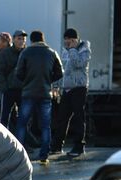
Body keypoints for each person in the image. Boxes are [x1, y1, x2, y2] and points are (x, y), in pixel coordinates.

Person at [15, 30, 63, 164]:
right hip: (45, 93)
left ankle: (18, 155)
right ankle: (44, 156)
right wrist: (48, 80)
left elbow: (18, 73)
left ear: (31, 40)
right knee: (45, 126)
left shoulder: (26, 53)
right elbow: (60, 73)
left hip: (28, 93)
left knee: (22, 124)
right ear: (43, 39)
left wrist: (27, 81)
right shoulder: (52, 53)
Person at [51, 28, 92, 156]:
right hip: (66, 88)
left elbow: (78, 64)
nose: (67, 42)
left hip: (79, 87)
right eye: (66, 39)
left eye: (70, 39)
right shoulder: (65, 50)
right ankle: (57, 145)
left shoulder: (84, 50)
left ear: (76, 39)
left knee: (78, 118)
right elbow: (62, 69)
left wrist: (73, 49)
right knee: (62, 117)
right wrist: (56, 86)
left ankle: (79, 146)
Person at [0, 30, 25, 129]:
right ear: (14, 39)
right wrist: (5, 88)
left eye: (23, 39)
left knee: (24, 119)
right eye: (19, 38)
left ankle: (22, 142)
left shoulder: (27, 53)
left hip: (23, 90)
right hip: (9, 90)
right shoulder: (5, 53)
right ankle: (2, 141)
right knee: (4, 118)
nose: (21, 41)